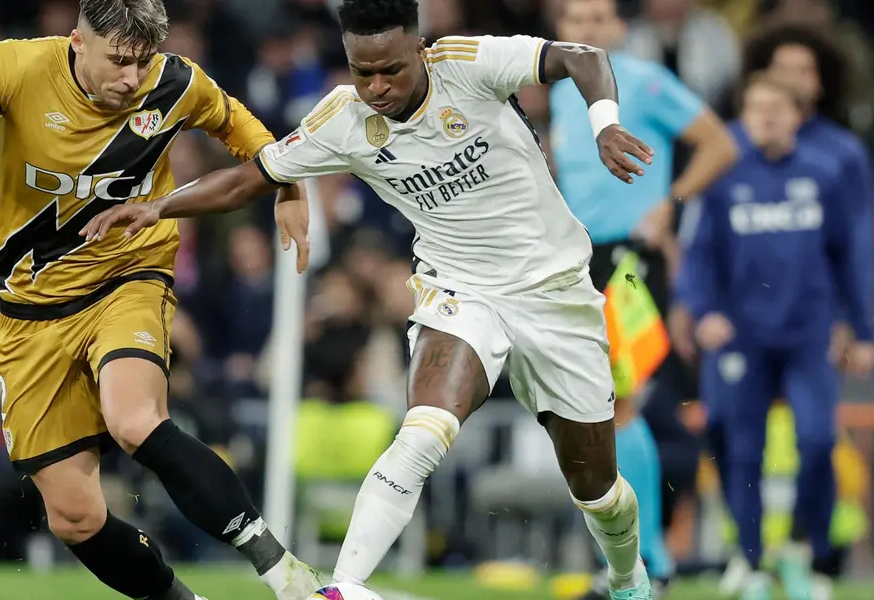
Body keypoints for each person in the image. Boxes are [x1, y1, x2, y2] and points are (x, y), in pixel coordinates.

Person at [83, 0, 658, 597]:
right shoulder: (343, 119)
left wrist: (605, 125)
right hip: (461, 289)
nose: (377, 87)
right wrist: (158, 207)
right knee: (424, 431)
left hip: (553, 288)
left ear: (419, 49)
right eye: (363, 72)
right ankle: (344, 587)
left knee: (597, 489)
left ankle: (628, 578)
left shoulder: (468, 63)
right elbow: (249, 178)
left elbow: (581, 56)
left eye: (391, 70)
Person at [0, 2, 321, 600]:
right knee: (74, 517)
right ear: (77, 41)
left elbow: (245, 130)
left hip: (128, 276)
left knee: (134, 420)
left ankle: (285, 574)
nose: (132, 78)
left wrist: (288, 187)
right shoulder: (17, 66)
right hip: (32, 310)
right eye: (118, 61)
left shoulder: (175, 81)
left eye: (142, 62)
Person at [550, 1, 738, 596]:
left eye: (597, 19)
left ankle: (646, 563)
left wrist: (671, 204)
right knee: (595, 410)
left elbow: (719, 145)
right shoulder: (561, 91)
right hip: (579, 261)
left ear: (619, 28)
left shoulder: (645, 81)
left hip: (631, 260)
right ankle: (633, 565)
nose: (586, 30)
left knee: (618, 406)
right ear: (560, 30)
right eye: (575, 20)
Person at [679, 72, 873, 600]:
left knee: (818, 440)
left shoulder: (825, 173)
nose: (766, 117)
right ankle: (750, 561)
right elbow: (698, 253)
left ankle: (812, 556)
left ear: (797, 116)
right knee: (742, 450)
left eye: (776, 108)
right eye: (755, 108)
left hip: (809, 334)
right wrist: (703, 312)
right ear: (742, 116)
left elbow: (852, 255)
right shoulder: (722, 174)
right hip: (742, 335)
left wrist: (862, 329)